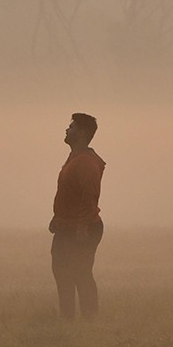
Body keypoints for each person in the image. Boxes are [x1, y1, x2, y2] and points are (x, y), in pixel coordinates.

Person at [49, 112, 106, 320]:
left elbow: (89, 197)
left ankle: (89, 318)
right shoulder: (75, 157)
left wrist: (82, 228)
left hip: (81, 228)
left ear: (81, 133)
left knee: (80, 273)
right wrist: (58, 218)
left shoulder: (85, 162)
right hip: (68, 226)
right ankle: (68, 319)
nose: (67, 129)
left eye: (71, 127)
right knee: (63, 272)